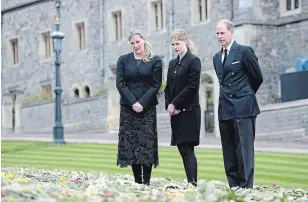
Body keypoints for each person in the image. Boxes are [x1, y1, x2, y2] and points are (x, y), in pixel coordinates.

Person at [213, 19, 263, 189]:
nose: (219, 36)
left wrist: (244, 96)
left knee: (244, 153)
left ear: (231, 32)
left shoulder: (244, 51)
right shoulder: (216, 57)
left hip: (243, 108)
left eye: (222, 33)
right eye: (217, 33)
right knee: (229, 153)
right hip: (225, 109)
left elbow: (257, 77)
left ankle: (246, 190)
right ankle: (234, 188)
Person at [116, 28, 162, 185]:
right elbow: (120, 84)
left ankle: (147, 182)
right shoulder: (123, 60)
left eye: (137, 42)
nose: (135, 45)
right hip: (128, 109)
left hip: (147, 109)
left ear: (144, 40)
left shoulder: (155, 60)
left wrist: (142, 103)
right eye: (132, 43)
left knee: (146, 144)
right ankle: (137, 181)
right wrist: (133, 103)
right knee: (132, 144)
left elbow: (156, 85)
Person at [164, 29, 201, 187]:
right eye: (173, 45)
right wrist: (168, 105)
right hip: (176, 113)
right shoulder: (173, 63)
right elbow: (168, 88)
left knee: (188, 149)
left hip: (189, 111)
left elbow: (192, 87)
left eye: (177, 44)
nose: (175, 47)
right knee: (181, 148)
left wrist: (175, 104)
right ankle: (190, 183)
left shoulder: (193, 61)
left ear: (185, 41)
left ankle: (193, 183)